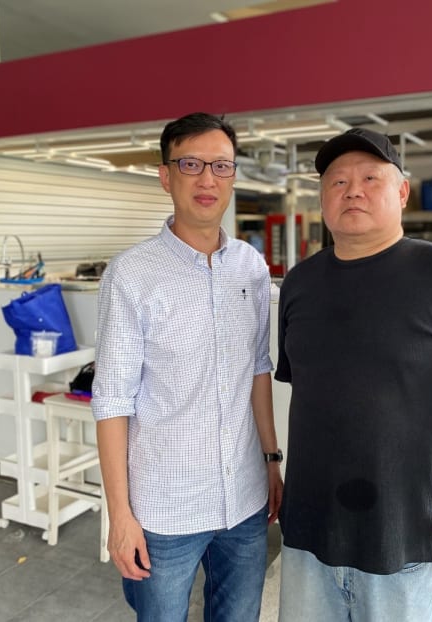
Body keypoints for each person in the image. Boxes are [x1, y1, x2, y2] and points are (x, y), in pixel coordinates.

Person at [275, 127, 432, 621]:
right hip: (307, 536)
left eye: (369, 178)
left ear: (401, 191)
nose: (352, 190)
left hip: (402, 536)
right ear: (322, 199)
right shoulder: (299, 284)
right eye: (337, 182)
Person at [91, 112, 283, 621]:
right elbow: (111, 400)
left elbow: (258, 370)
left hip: (244, 501)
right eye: (192, 163)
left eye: (221, 166)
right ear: (165, 175)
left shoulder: (252, 267)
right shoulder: (131, 275)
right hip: (164, 509)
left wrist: (271, 461)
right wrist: (120, 515)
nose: (207, 179)